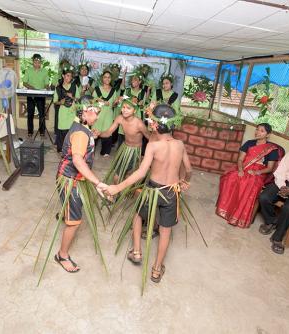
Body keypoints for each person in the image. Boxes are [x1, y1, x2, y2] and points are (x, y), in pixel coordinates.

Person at [105, 104, 192, 283]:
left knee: (138, 216)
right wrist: (184, 181)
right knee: (165, 230)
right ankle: (156, 269)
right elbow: (188, 169)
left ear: (153, 125)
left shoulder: (153, 146)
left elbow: (140, 173)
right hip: (171, 192)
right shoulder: (180, 144)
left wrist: (118, 187)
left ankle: (136, 251)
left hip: (152, 189)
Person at [55, 96, 107, 272]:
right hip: (70, 179)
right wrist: (97, 182)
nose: (97, 117)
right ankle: (62, 255)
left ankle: (64, 212)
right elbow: (77, 160)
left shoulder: (81, 127)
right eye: (95, 113)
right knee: (75, 222)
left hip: (72, 177)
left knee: (72, 210)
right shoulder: (80, 134)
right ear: (85, 111)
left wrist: (91, 135)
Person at [216, 123, 282, 228]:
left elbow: (269, 168)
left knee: (248, 182)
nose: (257, 132)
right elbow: (240, 159)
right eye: (257, 129)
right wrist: (241, 170)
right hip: (244, 167)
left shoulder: (271, 149)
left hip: (259, 173)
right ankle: (226, 210)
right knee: (231, 177)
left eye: (262, 131)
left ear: (268, 134)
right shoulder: (249, 143)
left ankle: (238, 216)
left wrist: (256, 172)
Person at [95, 97, 150, 184]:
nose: (125, 110)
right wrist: (99, 134)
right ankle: (116, 193)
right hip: (124, 149)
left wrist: (146, 155)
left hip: (135, 152)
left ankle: (124, 193)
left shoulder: (139, 124)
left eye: (128, 108)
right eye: (123, 107)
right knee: (117, 175)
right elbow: (108, 132)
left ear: (134, 111)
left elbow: (149, 138)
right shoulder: (119, 118)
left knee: (130, 175)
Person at [22, 53, 50, 138]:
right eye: (35, 61)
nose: (37, 63)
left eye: (39, 62)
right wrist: (32, 88)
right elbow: (24, 82)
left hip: (40, 96)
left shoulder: (45, 71)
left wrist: (46, 87)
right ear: (32, 62)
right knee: (30, 113)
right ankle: (30, 132)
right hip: (30, 94)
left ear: (41, 62)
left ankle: (42, 132)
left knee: (42, 114)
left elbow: (46, 84)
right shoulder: (28, 70)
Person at [54, 66, 80, 152]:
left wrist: (71, 97)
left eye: (70, 76)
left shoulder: (74, 86)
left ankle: (71, 149)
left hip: (72, 112)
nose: (69, 77)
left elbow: (78, 99)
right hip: (63, 113)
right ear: (63, 76)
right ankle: (61, 149)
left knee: (71, 131)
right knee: (62, 131)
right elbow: (55, 101)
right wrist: (60, 102)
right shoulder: (58, 88)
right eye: (67, 75)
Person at [93, 70, 118, 157]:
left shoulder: (113, 91)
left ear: (111, 79)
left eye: (109, 77)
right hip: (98, 114)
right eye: (105, 77)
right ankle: (90, 149)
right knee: (95, 131)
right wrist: (99, 100)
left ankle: (105, 152)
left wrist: (117, 101)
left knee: (107, 132)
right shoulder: (97, 89)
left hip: (108, 115)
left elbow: (114, 105)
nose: (107, 79)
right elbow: (92, 101)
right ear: (102, 79)